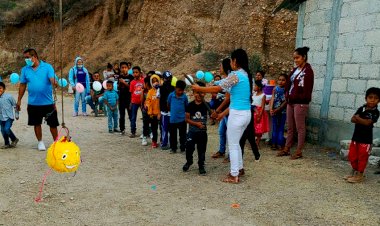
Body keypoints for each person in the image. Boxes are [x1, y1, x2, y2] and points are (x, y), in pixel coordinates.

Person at [192, 49, 253, 184]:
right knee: (235, 143)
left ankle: (234, 174)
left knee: (232, 144)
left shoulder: (236, 75)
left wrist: (200, 89)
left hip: (237, 115)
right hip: (245, 114)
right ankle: (239, 169)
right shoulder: (245, 75)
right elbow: (220, 85)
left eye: (231, 60)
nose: (230, 62)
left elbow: (218, 89)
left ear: (235, 61)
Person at [17, 48, 59, 151]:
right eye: (25, 58)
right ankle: (40, 142)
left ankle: (56, 143)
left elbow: (53, 80)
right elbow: (22, 85)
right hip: (33, 103)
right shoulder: (25, 70)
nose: (26, 60)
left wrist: (54, 82)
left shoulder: (47, 67)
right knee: (36, 123)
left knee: (53, 124)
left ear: (34, 57)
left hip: (48, 102)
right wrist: (19, 100)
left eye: (27, 58)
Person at [277, 46, 314, 159]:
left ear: (304, 57)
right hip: (291, 101)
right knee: (290, 127)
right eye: (294, 58)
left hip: (300, 103)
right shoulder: (295, 71)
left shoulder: (308, 72)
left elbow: (307, 90)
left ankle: (298, 151)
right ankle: (287, 148)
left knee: (300, 127)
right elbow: (289, 84)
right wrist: (287, 95)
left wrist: (297, 97)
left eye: (297, 58)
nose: (296, 60)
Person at [344, 87, 379, 183]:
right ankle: (354, 172)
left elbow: (368, 123)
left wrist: (358, 118)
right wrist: (360, 119)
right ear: (366, 98)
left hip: (366, 139)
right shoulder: (361, 108)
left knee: (362, 157)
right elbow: (352, 119)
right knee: (352, 156)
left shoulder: (375, 112)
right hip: (356, 137)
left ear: (379, 101)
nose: (372, 100)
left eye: (375, 98)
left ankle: (360, 175)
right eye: (370, 97)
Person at [183, 81, 209, 175]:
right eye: (197, 92)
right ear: (193, 93)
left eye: (201, 92)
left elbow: (214, 116)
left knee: (202, 150)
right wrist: (196, 124)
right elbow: (186, 119)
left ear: (205, 93)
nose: (199, 95)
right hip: (192, 132)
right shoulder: (190, 105)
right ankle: (189, 161)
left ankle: (201, 165)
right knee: (189, 148)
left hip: (202, 133)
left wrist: (215, 115)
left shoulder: (207, 105)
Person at [212, 58, 232, 159]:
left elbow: (228, 99)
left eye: (221, 66)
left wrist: (218, 110)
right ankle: (222, 150)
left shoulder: (230, 80)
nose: (220, 68)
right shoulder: (224, 79)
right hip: (224, 111)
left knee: (229, 133)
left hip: (229, 111)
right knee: (221, 131)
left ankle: (230, 154)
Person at [168, 80, 188, 154]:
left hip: (182, 120)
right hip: (173, 119)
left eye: (182, 90)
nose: (180, 92)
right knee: (173, 135)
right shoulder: (171, 95)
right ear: (175, 88)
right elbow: (168, 104)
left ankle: (183, 148)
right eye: (179, 90)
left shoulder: (184, 97)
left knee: (183, 135)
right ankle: (173, 148)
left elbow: (186, 107)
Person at [269, 74, 287, 150]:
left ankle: (280, 143)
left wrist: (279, 109)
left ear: (286, 81)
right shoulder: (275, 89)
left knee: (281, 127)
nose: (281, 81)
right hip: (274, 111)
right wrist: (271, 109)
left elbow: (286, 101)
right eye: (279, 79)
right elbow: (272, 98)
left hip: (283, 111)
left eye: (283, 80)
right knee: (275, 127)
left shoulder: (286, 90)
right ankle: (273, 143)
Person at [0, 82, 19, 149]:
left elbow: (15, 105)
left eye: (0, 88)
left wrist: (16, 114)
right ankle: (7, 143)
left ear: (4, 89)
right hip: (1, 118)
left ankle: (14, 139)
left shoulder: (9, 97)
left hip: (9, 117)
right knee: (2, 131)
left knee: (6, 129)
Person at [159, 71, 175, 150]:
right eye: (166, 78)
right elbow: (158, 100)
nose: (168, 80)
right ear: (163, 79)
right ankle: (165, 143)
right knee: (164, 128)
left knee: (172, 128)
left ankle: (172, 143)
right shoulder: (160, 88)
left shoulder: (174, 88)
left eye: (169, 78)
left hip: (171, 111)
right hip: (164, 111)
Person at [145, 74, 161, 148]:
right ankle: (154, 141)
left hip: (160, 113)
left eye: (156, 81)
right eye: (153, 81)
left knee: (162, 128)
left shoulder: (161, 90)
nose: (155, 83)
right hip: (153, 114)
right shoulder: (150, 91)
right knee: (154, 128)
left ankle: (162, 140)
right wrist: (147, 105)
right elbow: (148, 100)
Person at [252, 80, 269, 148]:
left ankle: (257, 143)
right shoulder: (254, 94)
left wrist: (259, 115)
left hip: (259, 113)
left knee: (259, 128)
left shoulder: (263, 95)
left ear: (259, 87)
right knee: (253, 128)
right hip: (253, 112)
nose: (254, 87)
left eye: (255, 86)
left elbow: (262, 106)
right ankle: (253, 142)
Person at [118, 62, 134, 135]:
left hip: (129, 98)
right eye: (122, 68)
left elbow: (131, 87)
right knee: (121, 115)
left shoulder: (131, 77)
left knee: (130, 115)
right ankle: (122, 129)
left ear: (128, 68)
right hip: (121, 98)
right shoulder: (119, 77)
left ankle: (133, 129)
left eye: (125, 67)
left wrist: (123, 82)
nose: (124, 69)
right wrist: (119, 83)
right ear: (120, 69)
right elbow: (118, 87)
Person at [129, 66, 144, 138]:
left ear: (140, 73)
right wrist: (131, 102)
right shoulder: (132, 82)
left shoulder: (143, 81)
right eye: (134, 72)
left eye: (136, 72)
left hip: (142, 102)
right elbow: (131, 93)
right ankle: (133, 132)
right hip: (134, 102)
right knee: (133, 117)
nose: (135, 74)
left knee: (144, 117)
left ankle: (146, 131)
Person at [141, 76, 152, 146]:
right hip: (145, 110)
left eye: (144, 83)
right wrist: (142, 108)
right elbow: (141, 101)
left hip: (152, 111)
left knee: (153, 124)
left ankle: (152, 135)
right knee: (145, 124)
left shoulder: (154, 91)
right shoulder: (143, 91)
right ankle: (144, 137)